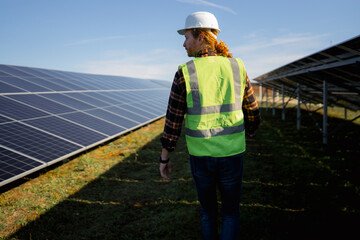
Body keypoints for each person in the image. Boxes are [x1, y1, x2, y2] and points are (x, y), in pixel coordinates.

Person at [159, 11, 260, 240]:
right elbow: (253, 112)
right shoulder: (237, 67)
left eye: (186, 37)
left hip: (201, 156)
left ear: (201, 37)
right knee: (231, 213)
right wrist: (249, 133)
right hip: (232, 154)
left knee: (208, 213)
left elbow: (173, 121)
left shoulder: (185, 72)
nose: (184, 44)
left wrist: (165, 157)